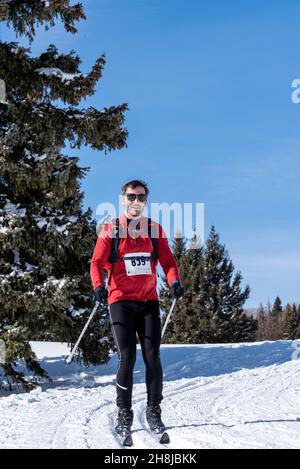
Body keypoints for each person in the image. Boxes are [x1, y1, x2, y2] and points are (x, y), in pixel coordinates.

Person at [90, 180, 184, 436]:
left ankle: (154, 411)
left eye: (141, 197)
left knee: (152, 357)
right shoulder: (111, 231)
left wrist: (174, 281)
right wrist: (98, 285)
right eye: (131, 197)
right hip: (120, 301)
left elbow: (168, 260)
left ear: (146, 200)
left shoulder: (154, 230)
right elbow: (96, 262)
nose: (136, 201)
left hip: (148, 302)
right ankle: (124, 414)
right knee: (127, 358)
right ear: (123, 199)